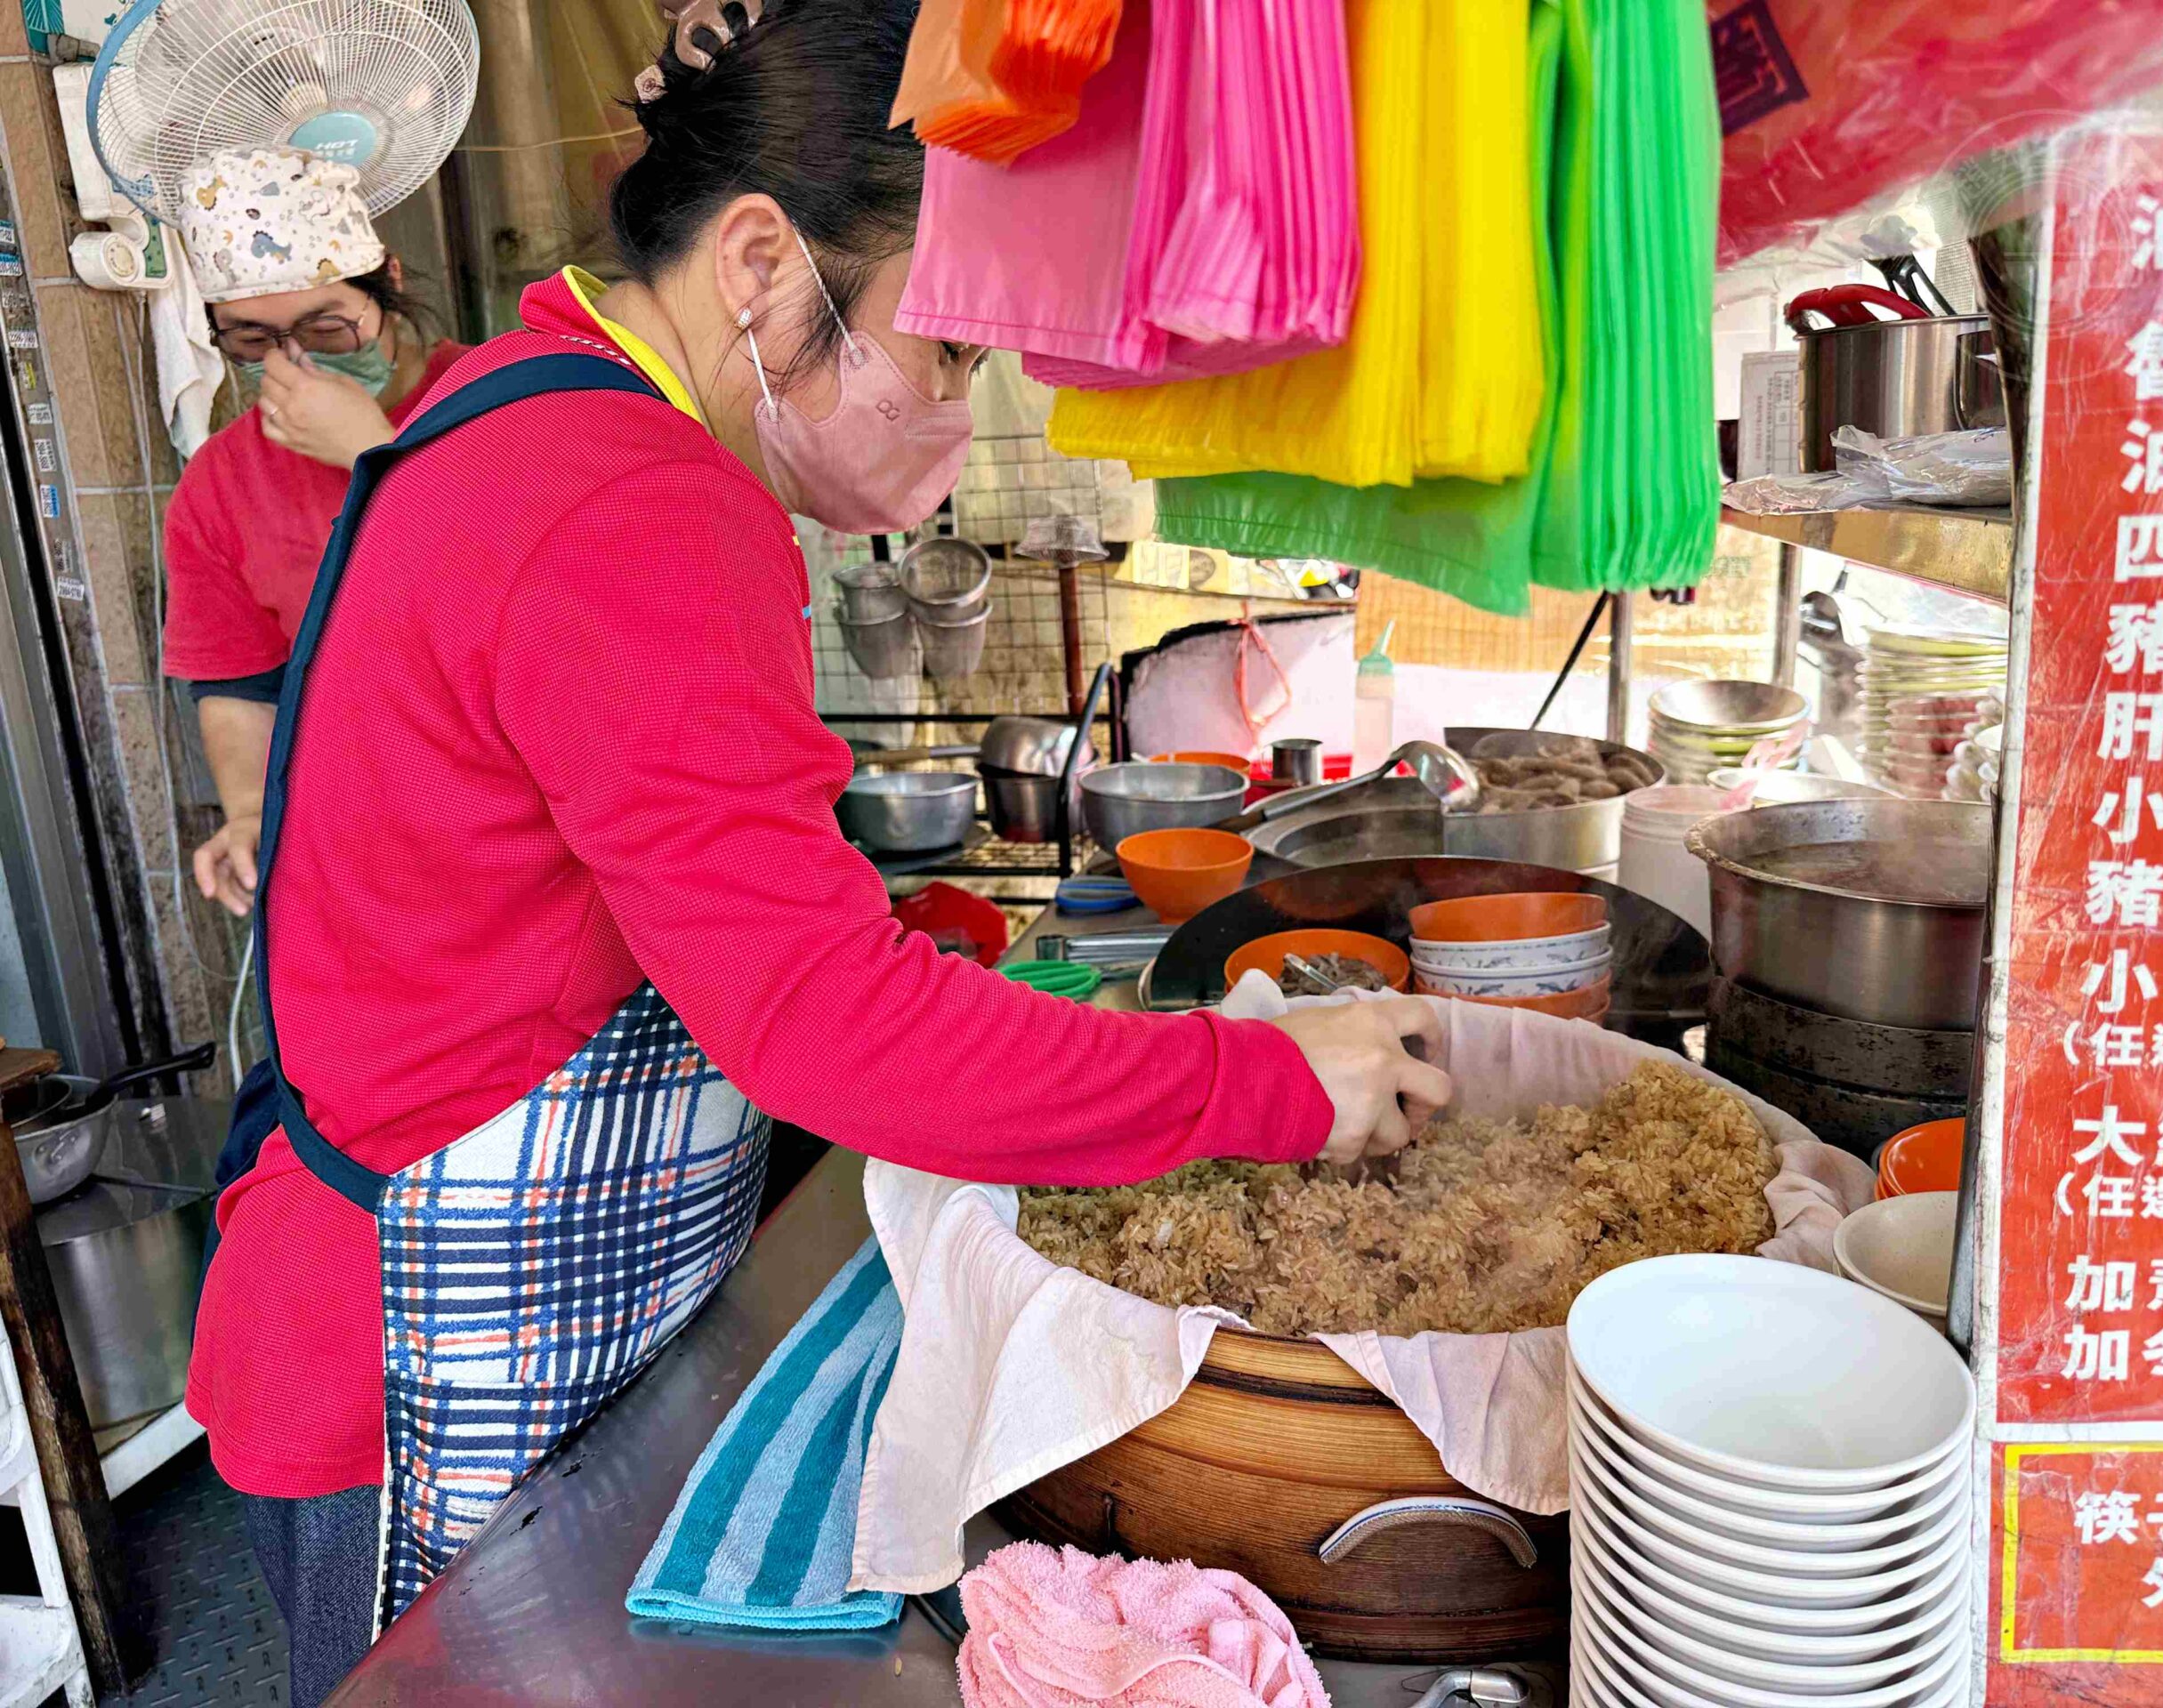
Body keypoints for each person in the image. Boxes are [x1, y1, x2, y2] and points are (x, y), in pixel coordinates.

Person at [187, 4, 1451, 1703]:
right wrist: (1272, 1079)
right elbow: (824, 1025)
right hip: (415, 1363)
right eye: (950, 348)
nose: (950, 402)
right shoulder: (633, 499)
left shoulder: (522, 396)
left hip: (399, 1277)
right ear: (764, 260)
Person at [161, 147, 469, 916]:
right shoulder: (219, 487)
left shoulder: (504, 401)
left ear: (388, 283)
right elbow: (241, 681)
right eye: (251, 340)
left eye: (325, 325)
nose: (292, 360)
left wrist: (375, 457)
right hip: (371, 850)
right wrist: (248, 817)